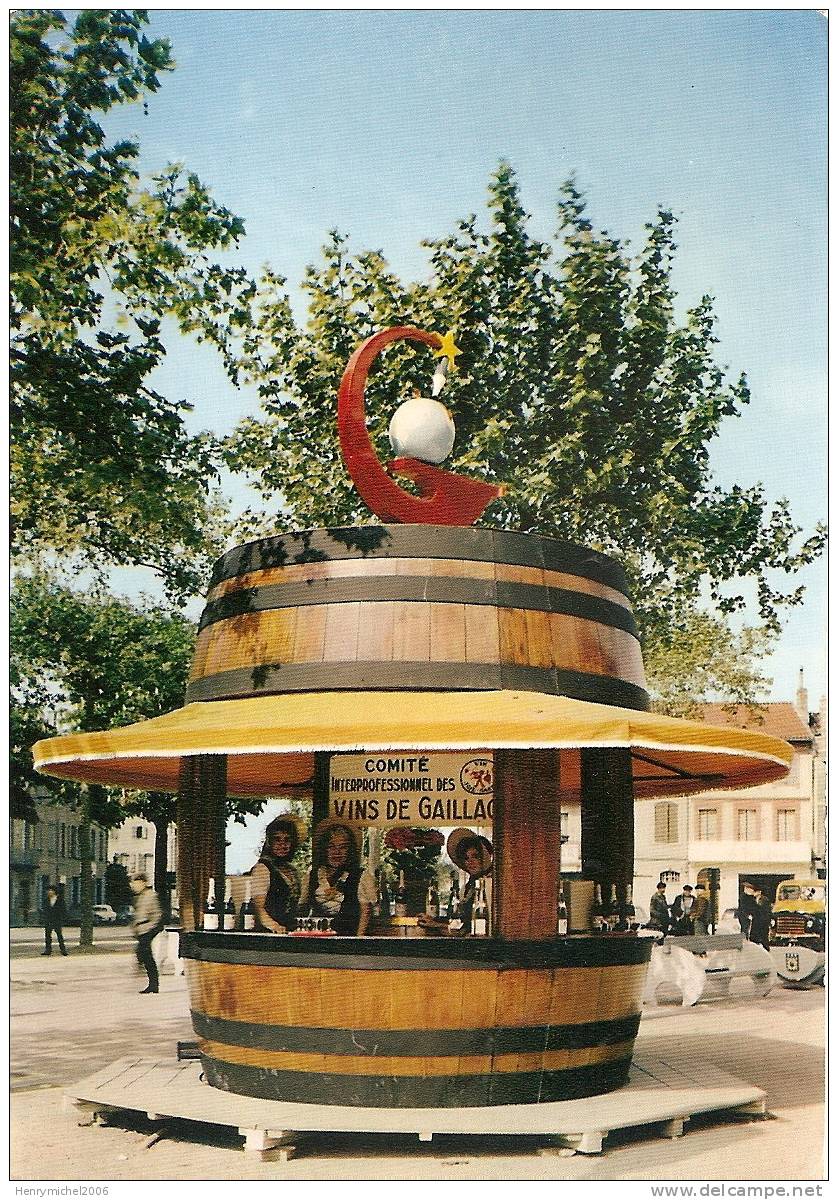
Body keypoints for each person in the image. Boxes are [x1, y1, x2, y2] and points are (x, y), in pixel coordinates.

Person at [301, 820, 376, 936]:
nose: (337, 852)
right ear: (324, 849)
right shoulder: (312, 874)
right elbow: (302, 907)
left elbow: (365, 912)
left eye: (343, 847)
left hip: (346, 942)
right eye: (331, 847)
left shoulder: (361, 876)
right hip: (316, 939)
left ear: (350, 850)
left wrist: (357, 942)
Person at [250, 815, 304, 933]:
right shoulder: (262, 869)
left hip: (290, 931)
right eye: (277, 839)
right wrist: (275, 926)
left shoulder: (292, 871)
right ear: (269, 842)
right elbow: (259, 908)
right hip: (269, 933)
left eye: (287, 840)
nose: (282, 845)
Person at [446, 828, 493, 934]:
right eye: (466, 858)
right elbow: (462, 922)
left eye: (475, 856)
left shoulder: (492, 883)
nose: (470, 862)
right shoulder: (468, 887)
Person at [130, 873, 163, 994]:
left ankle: (153, 984)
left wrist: (150, 927)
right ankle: (152, 984)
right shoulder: (140, 896)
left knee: (145, 955)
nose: (134, 886)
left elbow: (157, 913)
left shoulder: (151, 895)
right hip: (142, 929)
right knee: (145, 955)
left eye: (136, 883)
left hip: (148, 929)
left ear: (143, 882)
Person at [41, 885, 68, 956]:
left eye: (51, 890)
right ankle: (48, 950)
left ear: (54, 891)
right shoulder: (46, 900)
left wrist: (62, 918)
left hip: (57, 920)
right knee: (48, 935)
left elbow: (63, 910)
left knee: (59, 935)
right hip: (49, 920)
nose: (49, 892)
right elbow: (44, 910)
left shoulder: (60, 900)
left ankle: (63, 949)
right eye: (48, 890)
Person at [748, 883, 771, 950]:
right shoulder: (753, 900)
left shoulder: (765, 900)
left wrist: (767, 921)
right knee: (753, 938)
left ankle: (767, 950)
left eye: (755, 891)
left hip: (763, 922)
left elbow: (767, 911)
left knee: (764, 938)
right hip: (755, 921)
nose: (754, 893)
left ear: (759, 892)